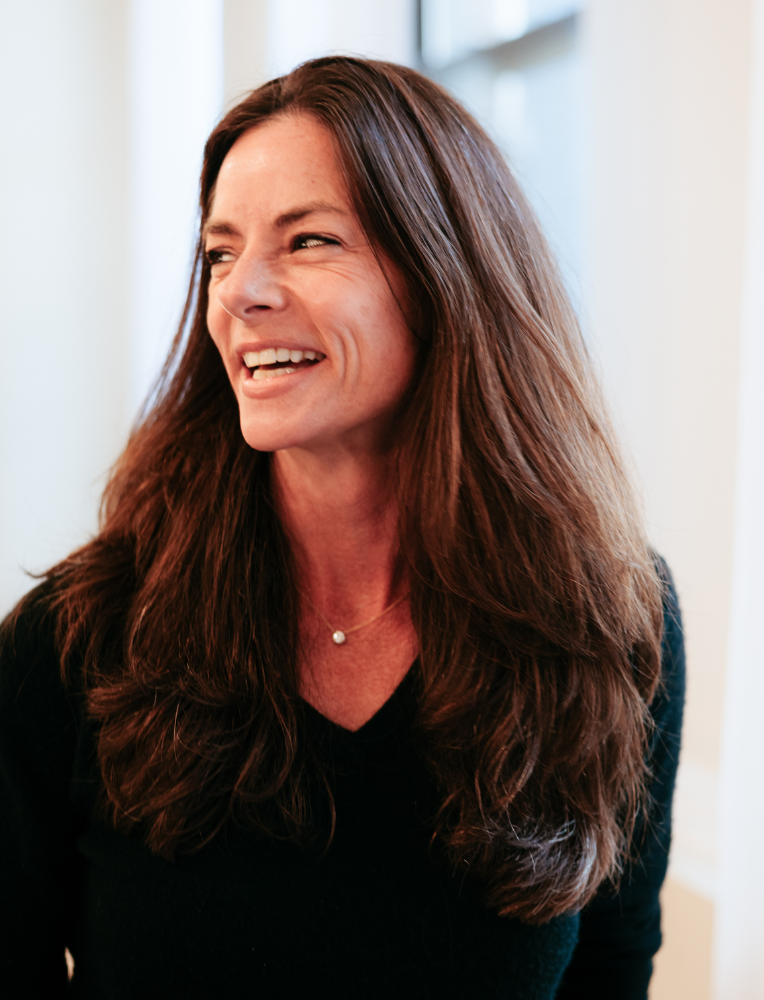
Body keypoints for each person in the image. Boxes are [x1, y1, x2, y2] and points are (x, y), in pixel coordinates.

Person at [0, 57, 684, 999]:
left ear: (448, 273)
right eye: (221, 252)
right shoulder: (70, 646)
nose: (241, 292)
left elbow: (608, 967)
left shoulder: (609, 622)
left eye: (310, 240)